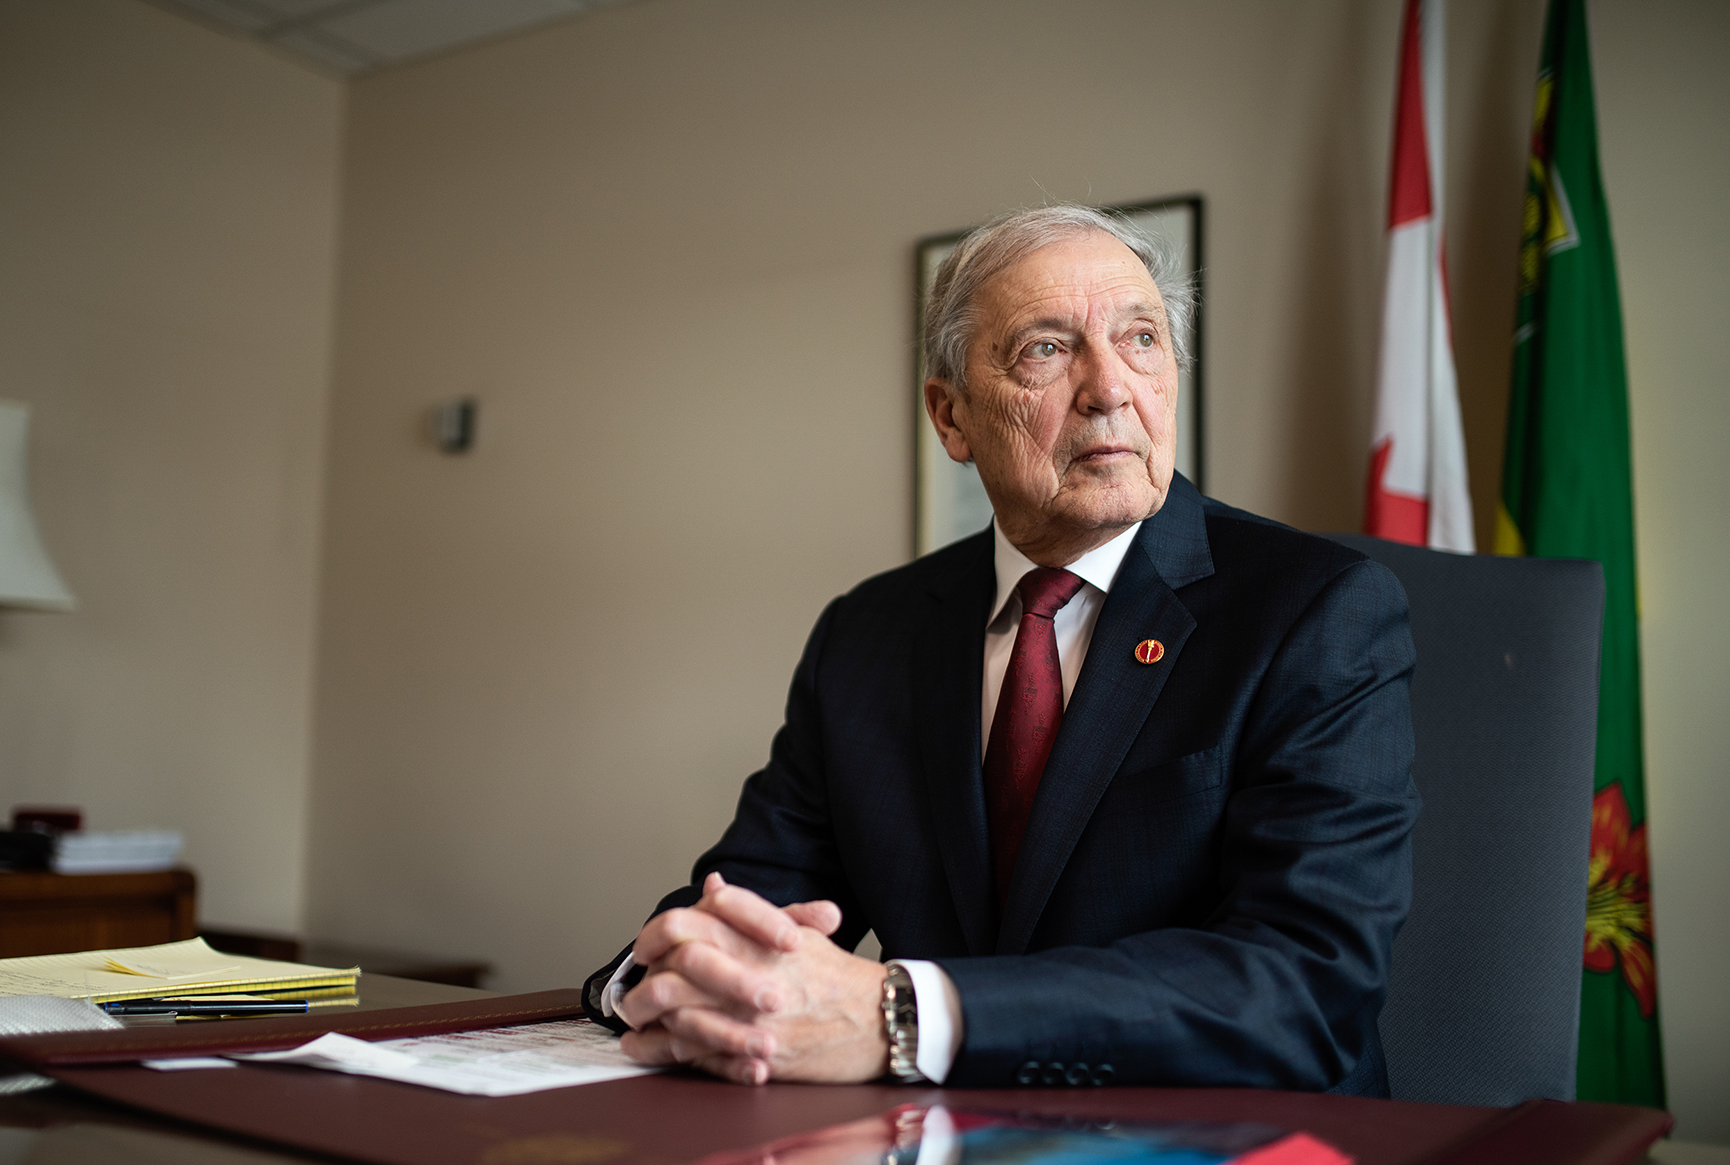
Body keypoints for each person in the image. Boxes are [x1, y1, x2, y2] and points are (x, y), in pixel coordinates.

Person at [582, 204, 1418, 1096]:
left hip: (1227, 1157)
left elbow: (1304, 982)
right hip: (929, 1163)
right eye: (1046, 350)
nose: (1109, 388)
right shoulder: (869, 633)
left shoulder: (1316, 609)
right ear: (952, 417)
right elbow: (750, 903)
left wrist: (903, 1015)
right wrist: (658, 978)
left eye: (1141, 338)